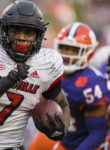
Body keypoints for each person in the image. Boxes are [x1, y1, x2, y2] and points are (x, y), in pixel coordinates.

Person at [0, 0, 70, 150]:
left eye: (29, 32)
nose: (22, 37)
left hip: (12, 146)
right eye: (15, 31)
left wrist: (61, 131)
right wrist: (9, 80)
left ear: (39, 36)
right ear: (5, 30)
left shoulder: (47, 63)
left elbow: (63, 104)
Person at [28, 22, 110, 150]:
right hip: (63, 136)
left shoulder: (92, 83)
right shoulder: (50, 71)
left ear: (87, 52)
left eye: (74, 49)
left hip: (85, 144)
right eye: (65, 47)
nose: (67, 53)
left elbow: (97, 134)